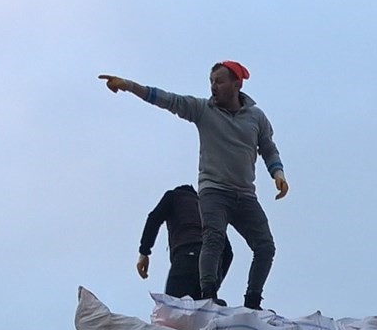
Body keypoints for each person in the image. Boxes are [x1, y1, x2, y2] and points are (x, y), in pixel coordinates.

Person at [98, 61, 288, 311]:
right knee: (214, 238)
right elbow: (168, 100)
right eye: (211, 82)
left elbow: (268, 147)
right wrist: (130, 86)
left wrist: (278, 173)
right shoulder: (203, 109)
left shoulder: (256, 117)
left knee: (265, 246)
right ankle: (208, 294)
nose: (213, 87)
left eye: (219, 81)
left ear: (237, 84)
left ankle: (253, 301)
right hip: (214, 190)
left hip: (244, 194)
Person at [139, 184, 234, 302]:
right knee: (204, 316)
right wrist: (214, 282)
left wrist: (144, 252)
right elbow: (228, 252)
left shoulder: (174, 196)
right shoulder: (207, 207)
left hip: (187, 256)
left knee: (173, 311)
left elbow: (154, 218)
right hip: (211, 266)